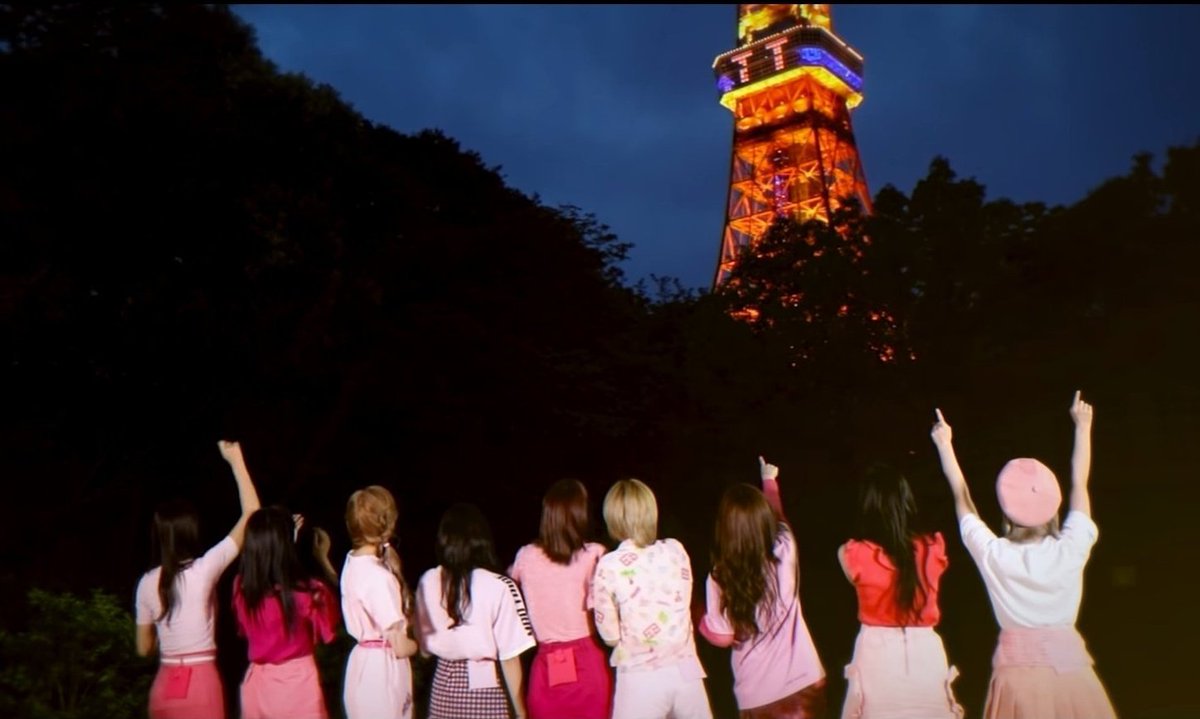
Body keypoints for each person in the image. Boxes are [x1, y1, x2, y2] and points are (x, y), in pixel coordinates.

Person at [931, 391, 1118, 719]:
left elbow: (962, 498)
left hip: (1018, 681)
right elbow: (1079, 484)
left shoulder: (994, 554)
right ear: (1053, 509)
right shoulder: (1069, 547)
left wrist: (945, 444)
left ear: (1006, 513)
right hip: (1072, 676)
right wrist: (1083, 426)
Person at [134, 440, 261, 719]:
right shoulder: (203, 570)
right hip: (201, 685)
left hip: (164, 685)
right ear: (191, 533)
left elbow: (143, 649)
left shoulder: (145, 583)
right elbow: (252, 513)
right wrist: (236, 460)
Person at [699, 457, 827, 719]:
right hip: (806, 684)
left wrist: (697, 615)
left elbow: (722, 636)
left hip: (759, 697)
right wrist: (769, 481)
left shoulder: (720, 577)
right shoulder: (784, 550)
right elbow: (779, 516)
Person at [836, 463, 963, 719]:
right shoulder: (931, 548)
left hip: (877, 655)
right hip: (925, 654)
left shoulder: (853, 553)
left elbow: (858, 579)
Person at [593, 478, 713, 719]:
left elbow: (610, 635)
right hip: (686, 670)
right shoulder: (676, 549)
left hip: (641, 676)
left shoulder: (609, 565)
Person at [416, 503, 537, 719]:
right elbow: (509, 657)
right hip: (486, 689)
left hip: (443, 686)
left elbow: (424, 650)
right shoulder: (498, 585)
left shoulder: (429, 580)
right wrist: (520, 712)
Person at [509, 479, 612, 719]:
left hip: (546, 667)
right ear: (580, 513)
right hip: (588, 664)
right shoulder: (596, 554)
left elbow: (506, 589)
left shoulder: (525, 556)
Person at [233, 507, 341, 719]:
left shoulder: (243, 589)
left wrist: (284, 534)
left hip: (258, 688)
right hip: (297, 687)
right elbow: (329, 626)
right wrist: (322, 559)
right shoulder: (305, 593)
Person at [341, 486, 420, 719]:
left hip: (361, 665)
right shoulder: (378, 577)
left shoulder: (352, 562)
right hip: (381, 671)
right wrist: (420, 645)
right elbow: (399, 645)